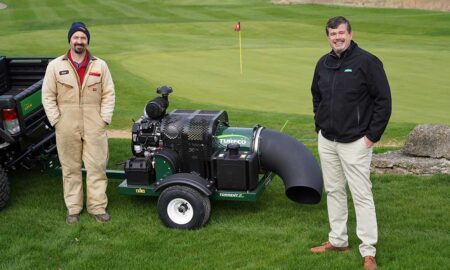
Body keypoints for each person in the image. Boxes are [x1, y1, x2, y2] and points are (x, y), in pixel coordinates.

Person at [309, 16, 391, 270]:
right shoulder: (323, 63)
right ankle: (338, 240)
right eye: (333, 34)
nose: (337, 38)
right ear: (328, 37)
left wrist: (371, 136)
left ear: (350, 34)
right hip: (328, 140)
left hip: (356, 142)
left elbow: (383, 101)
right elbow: (317, 96)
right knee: (334, 191)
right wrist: (319, 125)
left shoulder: (367, 62)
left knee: (361, 195)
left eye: (341, 33)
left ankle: (368, 251)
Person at [42, 22, 115, 224]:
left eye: (83, 38)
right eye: (76, 37)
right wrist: (56, 120)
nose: (79, 41)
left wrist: (104, 119)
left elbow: (109, 94)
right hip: (66, 124)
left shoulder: (100, 65)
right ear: (70, 40)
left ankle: (97, 207)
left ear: (87, 41)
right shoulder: (56, 66)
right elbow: (47, 96)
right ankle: (73, 208)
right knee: (70, 168)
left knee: (97, 167)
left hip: (94, 124)